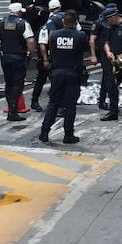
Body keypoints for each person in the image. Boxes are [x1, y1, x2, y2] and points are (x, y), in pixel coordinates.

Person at [38, 10, 89, 144]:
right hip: (73, 74)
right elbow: (84, 49)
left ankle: (44, 132)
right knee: (70, 106)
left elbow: (52, 50)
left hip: (57, 73)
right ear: (76, 22)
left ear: (63, 22)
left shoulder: (54, 35)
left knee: (53, 103)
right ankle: (68, 135)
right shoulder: (80, 35)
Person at [31, 0, 81, 112]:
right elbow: (78, 34)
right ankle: (59, 104)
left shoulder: (48, 23)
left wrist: (44, 59)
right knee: (59, 81)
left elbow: (42, 43)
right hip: (60, 57)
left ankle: (36, 101)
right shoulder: (68, 19)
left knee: (42, 79)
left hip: (51, 56)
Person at [0, 3, 36, 121]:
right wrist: (31, 52)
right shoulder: (23, 23)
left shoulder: (0, 23)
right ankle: (12, 111)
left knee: (9, 83)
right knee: (17, 84)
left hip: (5, 57)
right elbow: (30, 40)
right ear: (18, 12)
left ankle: (11, 109)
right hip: (18, 57)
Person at [89, 2, 116, 111]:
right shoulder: (99, 23)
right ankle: (105, 101)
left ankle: (103, 100)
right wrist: (93, 55)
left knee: (107, 77)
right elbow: (92, 40)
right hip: (103, 52)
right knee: (108, 76)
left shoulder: (114, 22)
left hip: (112, 51)